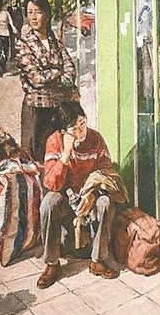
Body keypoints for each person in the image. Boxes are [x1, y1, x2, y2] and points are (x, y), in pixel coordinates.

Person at [37, 102, 127, 289]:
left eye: (82, 123)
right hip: (66, 197)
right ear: (64, 132)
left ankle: (97, 261)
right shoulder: (54, 141)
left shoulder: (96, 139)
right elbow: (52, 184)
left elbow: (106, 174)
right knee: (49, 202)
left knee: (105, 202)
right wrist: (66, 153)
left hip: (89, 195)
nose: (80, 131)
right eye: (74, 128)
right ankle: (52, 264)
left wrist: (94, 193)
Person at [16, 0, 79, 164]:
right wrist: (58, 73)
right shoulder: (23, 43)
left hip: (59, 108)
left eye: (38, 12)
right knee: (36, 160)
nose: (33, 17)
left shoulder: (56, 42)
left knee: (60, 156)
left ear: (47, 14)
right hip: (37, 110)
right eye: (30, 12)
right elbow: (36, 78)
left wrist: (52, 75)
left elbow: (71, 70)